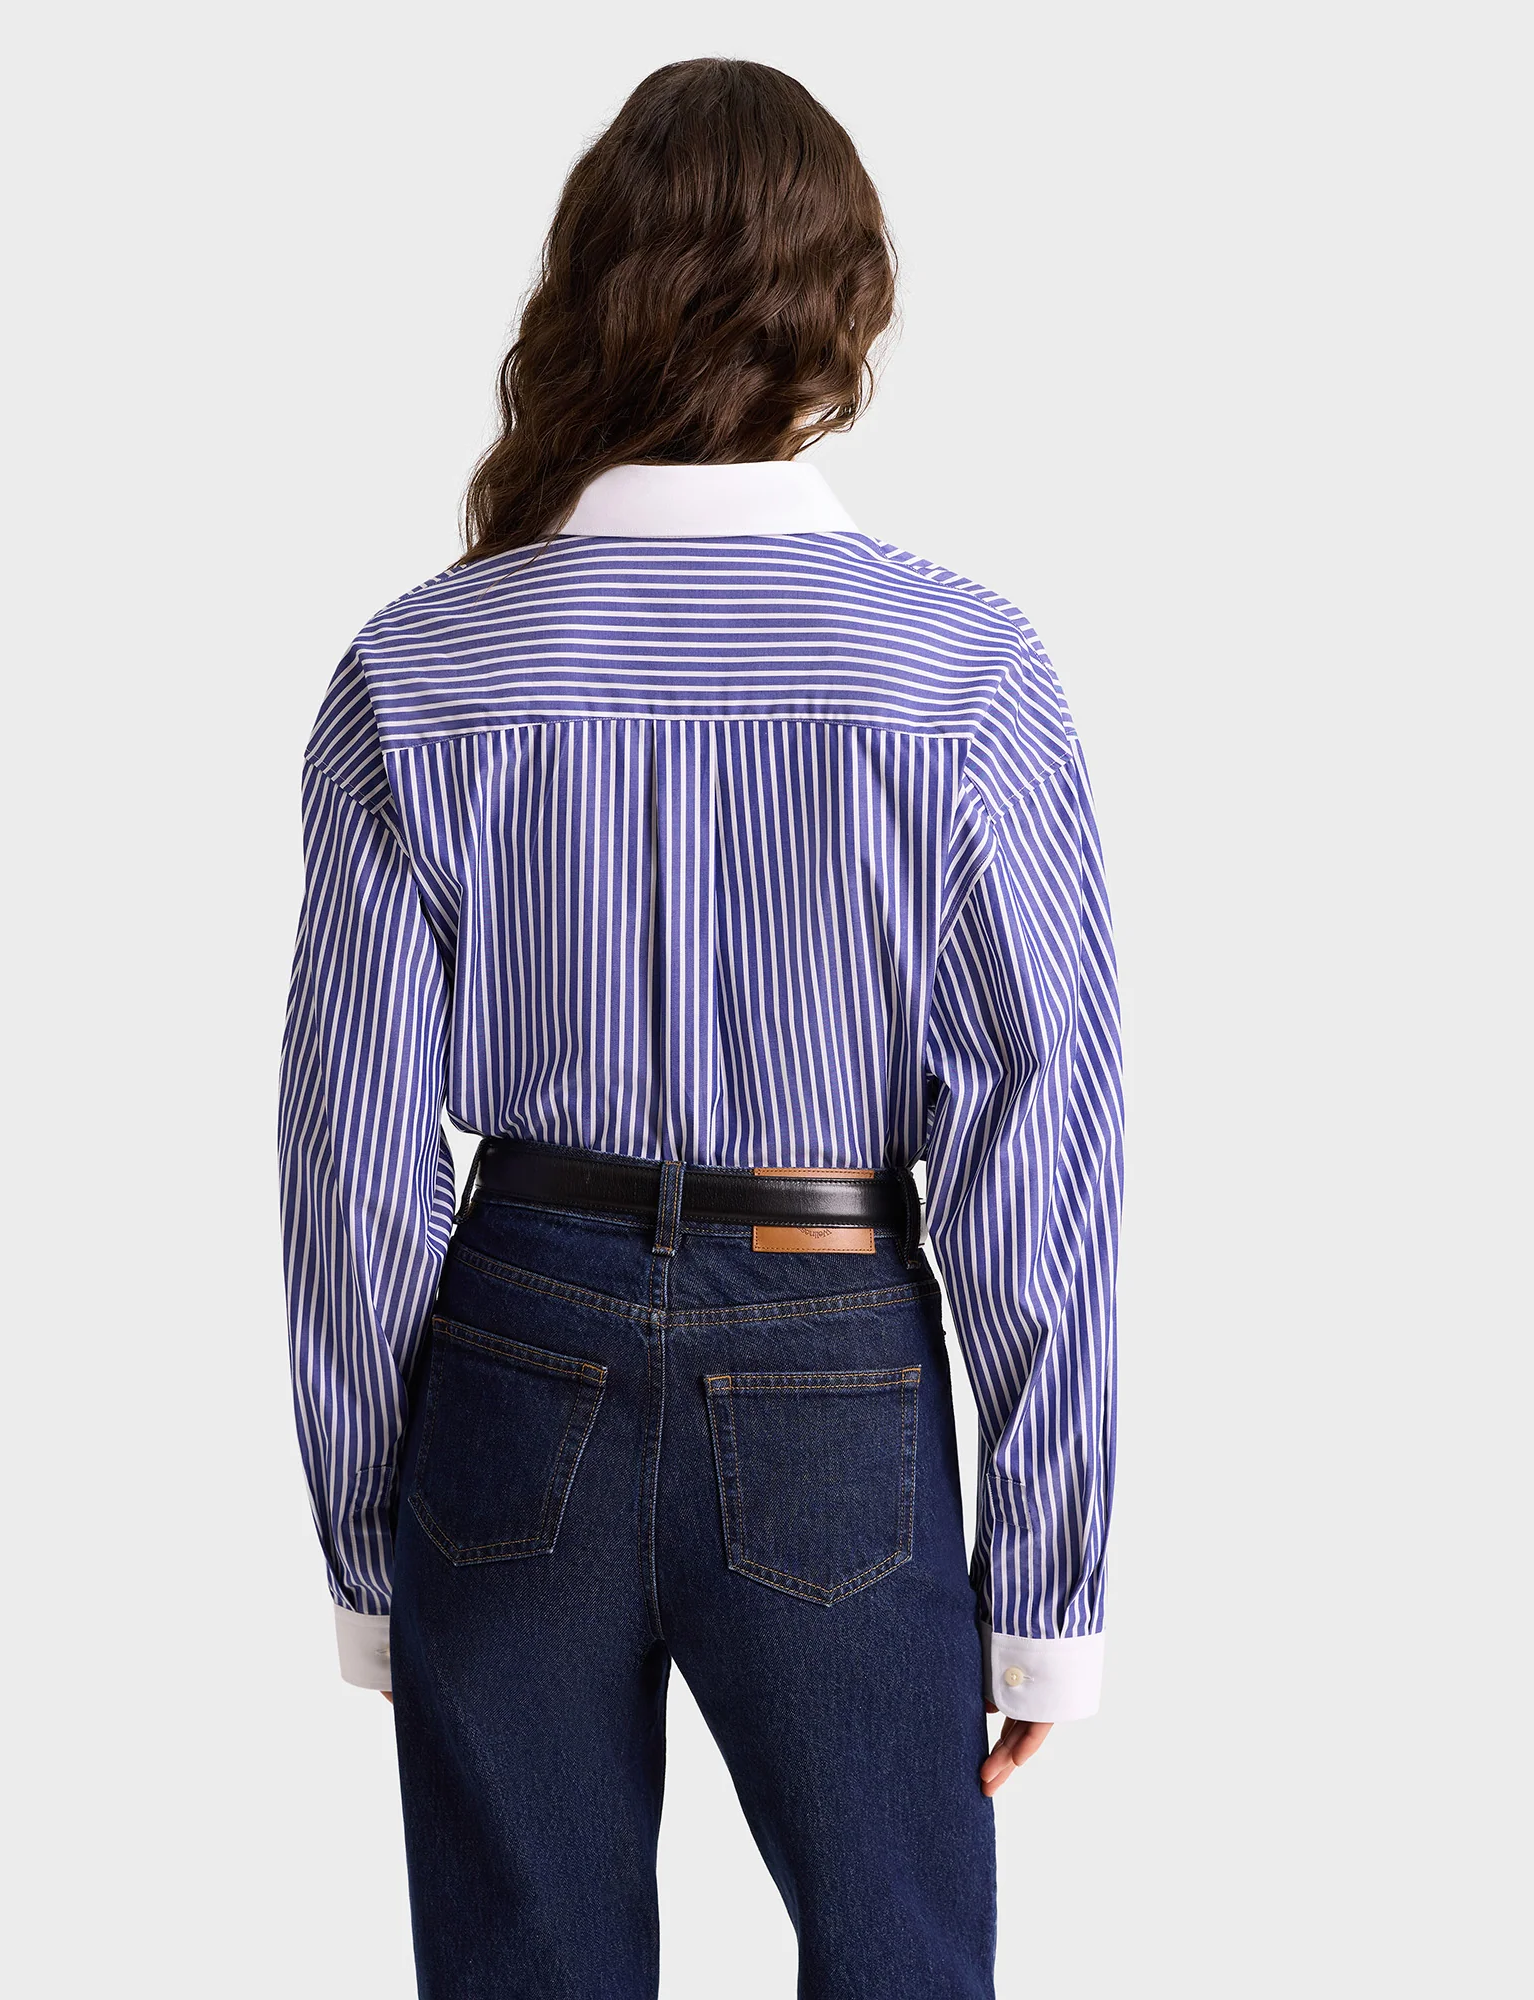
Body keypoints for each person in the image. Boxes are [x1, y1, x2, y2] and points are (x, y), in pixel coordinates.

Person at [277, 56, 1123, 2000]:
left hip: (514, 1364)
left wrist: (376, 1546)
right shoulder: (959, 670)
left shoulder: (420, 667)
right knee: (901, 1970)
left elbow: (354, 1157)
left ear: (589, 289)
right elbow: (1041, 1132)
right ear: (847, 313)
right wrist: (1048, 1586)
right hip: (831, 1356)